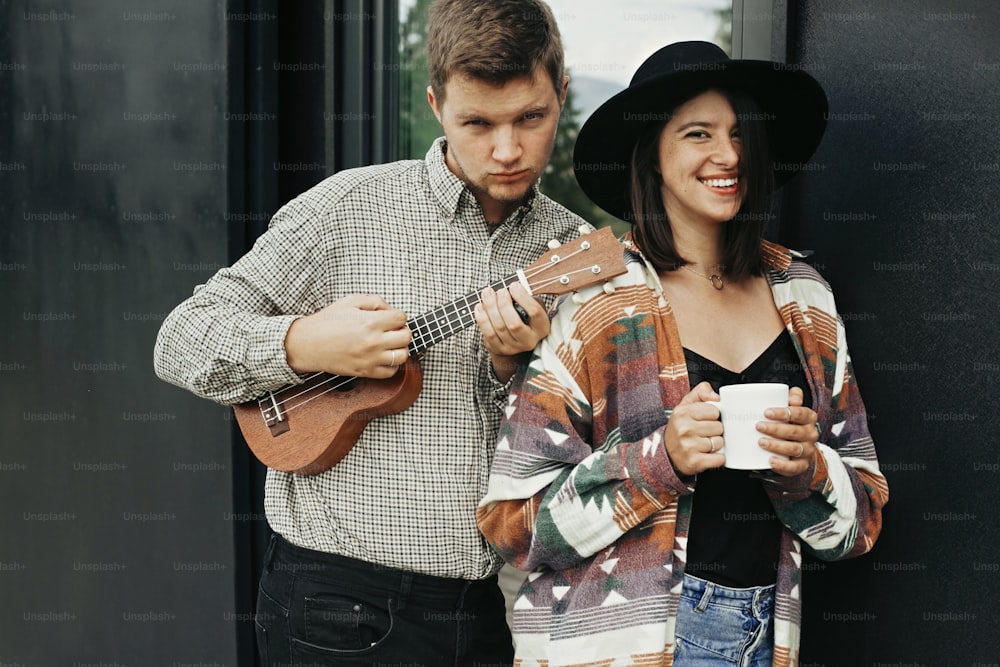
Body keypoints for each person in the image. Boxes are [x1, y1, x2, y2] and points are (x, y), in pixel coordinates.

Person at [153, 1, 588, 664]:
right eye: (478, 122)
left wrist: (512, 371)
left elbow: (584, 454)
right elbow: (181, 340)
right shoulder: (346, 210)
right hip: (334, 608)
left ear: (562, 92)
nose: (508, 149)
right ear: (436, 104)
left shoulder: (571, 249)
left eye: (531, 117)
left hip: (489, 610)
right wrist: (304, 343)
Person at [476, 41, 889, 667]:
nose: (729, 156)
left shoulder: (805, 296)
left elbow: (863, 521)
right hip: (622, 645)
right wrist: (660, 458)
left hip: (769, 633)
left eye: (739, 134)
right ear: (654, 155)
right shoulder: (594, 306)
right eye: (699, 134)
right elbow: (513, 525)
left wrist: (805, 469)